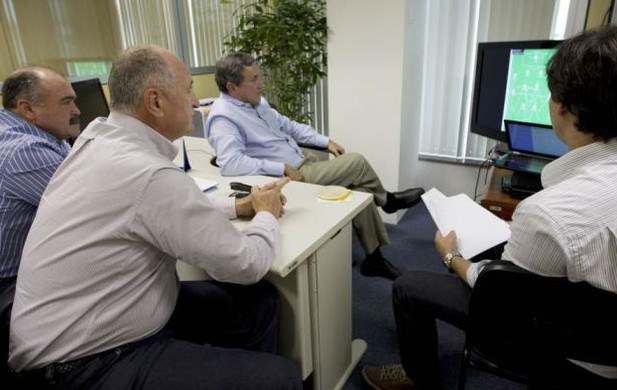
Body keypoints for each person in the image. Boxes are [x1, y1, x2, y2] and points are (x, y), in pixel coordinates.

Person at [9, 46, 301, 389]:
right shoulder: (147, 172)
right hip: (81, 363)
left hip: (91, 319)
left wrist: (240, 207)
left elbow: (164, 209)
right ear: (156, 102)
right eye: (189, 88)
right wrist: (266, 212)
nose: (196, 102)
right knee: (280, 378)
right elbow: (245, 265)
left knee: (258, 303)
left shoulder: (98, 140)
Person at [362, 26, 617, 390]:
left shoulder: (547, 212)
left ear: (561, 108)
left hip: (560, 349)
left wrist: (451, 258)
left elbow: (499, 292)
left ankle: (419, 379)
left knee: (407, 286)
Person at [206, 52, 424, 280]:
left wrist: (325, 142)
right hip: (294, 177)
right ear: (232, 87)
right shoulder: (223, 118)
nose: (261, 84)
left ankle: (375, 260)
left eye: (260, 76)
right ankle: (388, 201)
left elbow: (289, 127)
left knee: (361, 193)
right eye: (254, 79)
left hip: (302, 161)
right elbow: (230, 163)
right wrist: (280, 167)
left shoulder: (256, 104)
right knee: (357, 162)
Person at [0, 67, 81, 382]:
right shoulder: (25, 151)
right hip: (10, 282)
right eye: (66, 102)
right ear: (27, 109)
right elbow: (100, 208)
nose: (76, 111)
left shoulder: (37, 134)